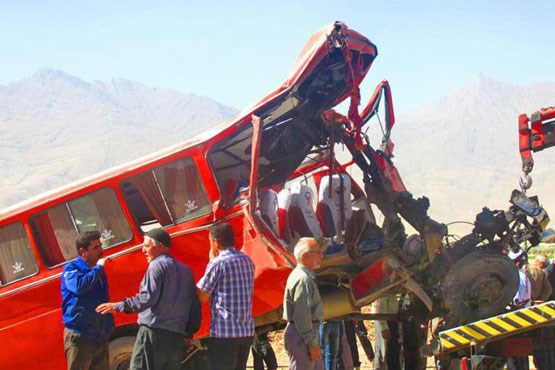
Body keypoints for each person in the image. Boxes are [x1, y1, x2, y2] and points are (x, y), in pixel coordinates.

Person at [96, 228, 201, 370]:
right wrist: (189, 333)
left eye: (146, 246)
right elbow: (194, 305)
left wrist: (118, 306)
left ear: (161, 247)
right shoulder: (186, 270)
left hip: (153, 334)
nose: (143, 250)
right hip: (175, 336)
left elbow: (147, 298)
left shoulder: (156, 266)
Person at [196, 221, 255, 370]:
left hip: (224, 332)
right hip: (246, 331)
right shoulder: (247, 261)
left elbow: (202, 296)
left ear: (215, 242)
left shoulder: (218, 264)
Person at [61, 230, 114, 370]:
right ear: (83, 252)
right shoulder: (71, 269)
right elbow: (79, 287)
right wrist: (98, 268)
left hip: (99, 334)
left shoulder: (98, 271)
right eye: (96, 247)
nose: (101, 250)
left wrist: (108, 327)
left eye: (100, 246)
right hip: (80, 335)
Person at [283, 237, 324, 370]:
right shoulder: (303, 280)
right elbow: (302, 315)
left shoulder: (303, 277)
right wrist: (311, 343)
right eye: (317, 252)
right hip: (302, 335)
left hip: (304, 334)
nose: (321, 256)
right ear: (305, 255)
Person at [507, 249, 531, 370]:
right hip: (524, 316)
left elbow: (515, 299)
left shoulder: (514, 276)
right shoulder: (525, 276)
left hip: (514, 317)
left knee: (513, 353)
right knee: (521, 353)